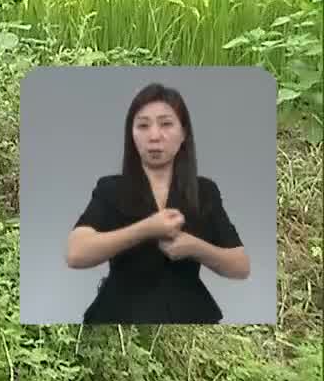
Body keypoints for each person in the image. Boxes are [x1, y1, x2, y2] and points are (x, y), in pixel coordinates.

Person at [65, 82, 251, 323]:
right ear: (131, 135)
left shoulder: (205, 191)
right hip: (119, 315)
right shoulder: (111, 189)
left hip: (191, 315)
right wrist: (147, 229)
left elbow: (240, 266)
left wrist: (195, 247)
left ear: (184, 133)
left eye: (166, 124)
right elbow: (75, 253)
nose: (154, 136)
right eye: (143, 126)